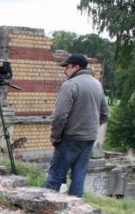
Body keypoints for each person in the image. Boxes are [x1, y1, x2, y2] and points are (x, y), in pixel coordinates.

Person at [43, 53, 110, 197]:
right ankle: (75, 209)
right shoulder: (97, 84)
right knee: (79, 175)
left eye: (67, 67)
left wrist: (55, 137)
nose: (65, 70)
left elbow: (60, 115)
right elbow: (105, 114)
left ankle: (46, 205)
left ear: (76, 67)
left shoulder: (70, 84)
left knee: (55, 175)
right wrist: (90, 127)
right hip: (89, 138)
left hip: (70, 138)